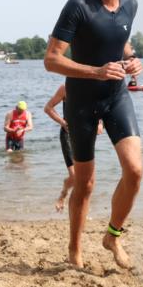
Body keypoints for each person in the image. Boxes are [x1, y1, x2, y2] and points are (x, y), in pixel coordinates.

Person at [44, 0, 143, 270]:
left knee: (135, 170)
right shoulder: (79, 5)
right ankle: (75, 250)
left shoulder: (130, 5)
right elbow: (51, 59)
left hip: (117, 97)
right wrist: (96, 71)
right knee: (85, 184)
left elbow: (120, 41)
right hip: (82, 102)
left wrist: (131, 60)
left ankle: (113, 235)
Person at [44, 84, 106, 212]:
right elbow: (48, 108)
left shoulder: (92, 87)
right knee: (75, 176)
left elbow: (100, 108)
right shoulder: (65, 88)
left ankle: (82, 206)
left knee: (85, 178)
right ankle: (63, 195)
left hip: (86, 134)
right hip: (68, 134)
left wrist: (100, 123)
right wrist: (62, 122)